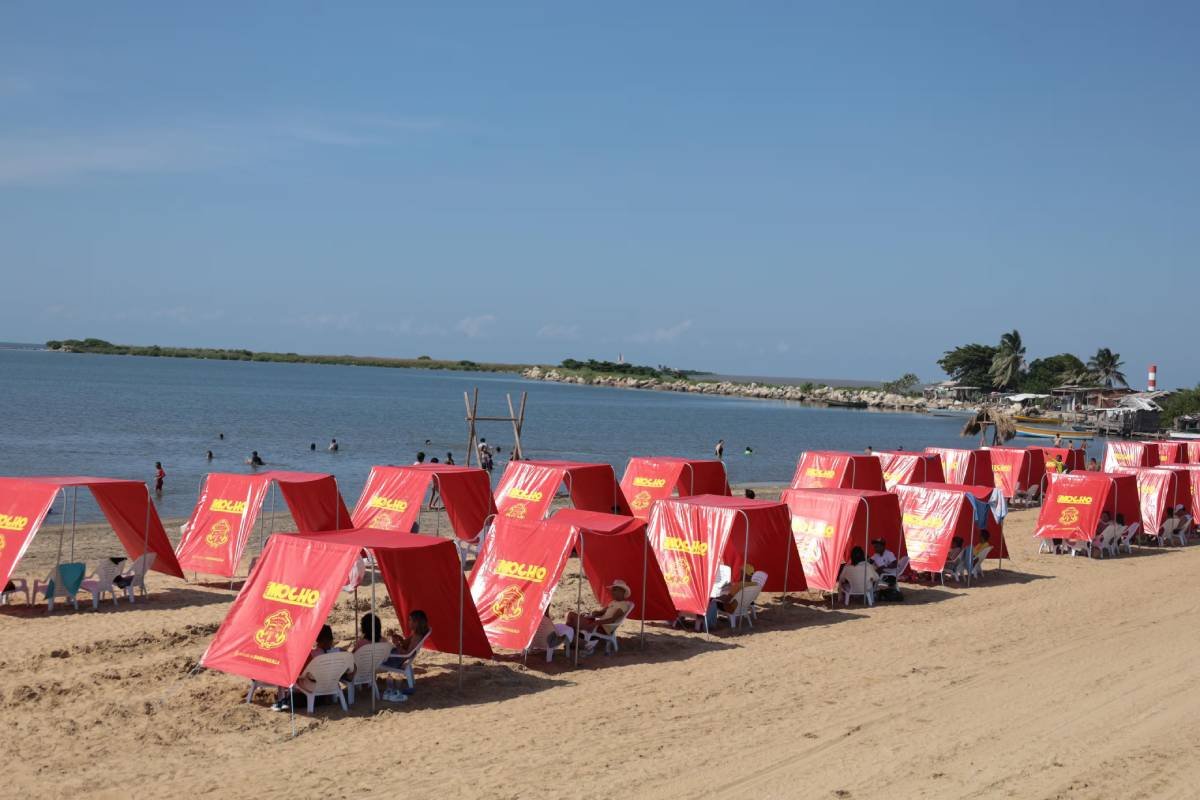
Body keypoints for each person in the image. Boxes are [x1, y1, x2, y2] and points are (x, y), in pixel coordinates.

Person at [271, 624, 344, 711]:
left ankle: (282, 700)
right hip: (332, 685)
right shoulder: (340, 652)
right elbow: (351, 669)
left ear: (317, 638)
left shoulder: (311, 654)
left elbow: (301, 673)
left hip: (313, 688)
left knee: (290, 676)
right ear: (331, 638)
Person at [565, 580, 634, 651]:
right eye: (612, 590)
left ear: (622, 591)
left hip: (603, 628)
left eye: (615, 590)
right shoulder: (613, 602)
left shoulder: (623, 605)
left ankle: (575, 642)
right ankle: (576, 642)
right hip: (598, 624)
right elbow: (601, 612)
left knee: (571, 618)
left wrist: (596, 623)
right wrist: (593, 613)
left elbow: (612, 619)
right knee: (571, 618)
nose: (612, 592)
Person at [382, 610, 432, 701]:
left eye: (410, 620)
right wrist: (398, 638)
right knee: (384, 649)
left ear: (416, 622)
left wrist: (397, 645)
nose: (408, 622)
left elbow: (406, 655)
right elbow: (405, 644)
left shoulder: (417, 637)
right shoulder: (415, 633)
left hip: (396, 660)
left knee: (378, 655)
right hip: (397, 655)